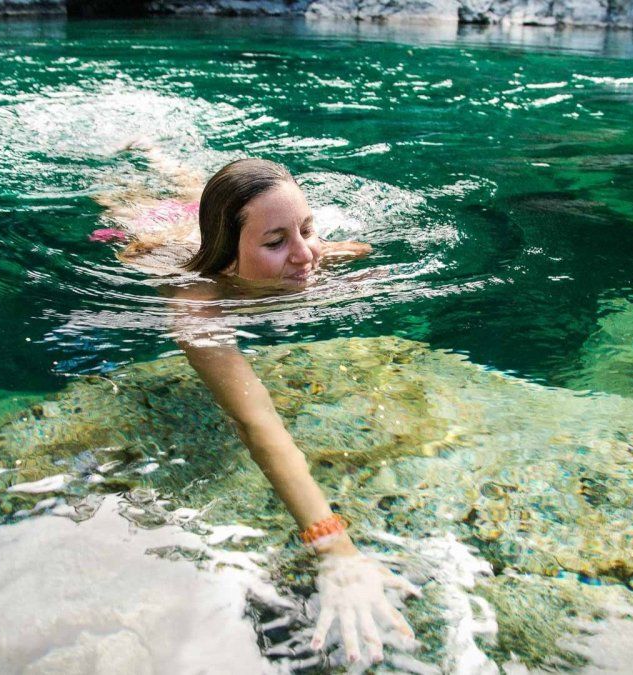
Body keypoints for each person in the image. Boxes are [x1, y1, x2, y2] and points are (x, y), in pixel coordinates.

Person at [98, 150, 420, 665]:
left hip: (208, 223)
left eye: (308, 230)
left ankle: (162, 154)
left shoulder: (306, 251)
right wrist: (334, 547)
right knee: (137, 198)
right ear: (230, 259)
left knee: (191, 188)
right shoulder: (195, 302)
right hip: (155, 230)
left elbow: (350, 249)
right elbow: (255, 418)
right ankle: (138, 154)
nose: (305, 255)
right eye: (276, 242)